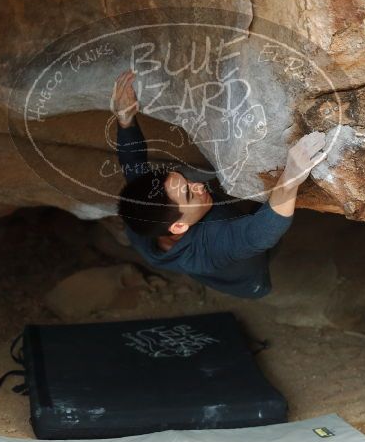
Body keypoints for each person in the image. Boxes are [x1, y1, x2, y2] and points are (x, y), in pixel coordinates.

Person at [112, 70, 326, 299]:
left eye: (186, 180)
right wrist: (290, 178)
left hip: (220, 234)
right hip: (248, 275)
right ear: (179, 227)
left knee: (260, 207)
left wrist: (125, 120)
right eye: (189, 193)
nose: (198, 185)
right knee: (264, 239)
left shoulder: (144, 219)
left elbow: (133, 167)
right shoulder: (206, 249)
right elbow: (258, 236)